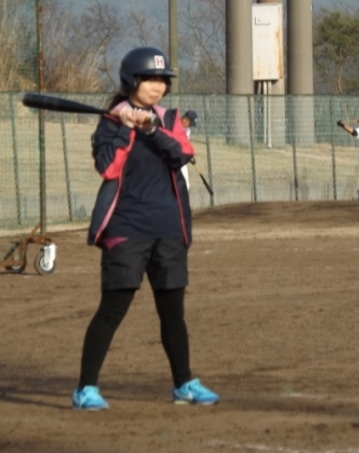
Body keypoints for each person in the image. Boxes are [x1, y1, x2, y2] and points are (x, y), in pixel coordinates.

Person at [72, 46, 219, 410]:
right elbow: (108, 168)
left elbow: (182, 154)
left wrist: (152, 129)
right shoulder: (110, 122)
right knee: (112, 309)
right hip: (126, 228)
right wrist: (125, 129)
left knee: (173, 314)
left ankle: (183, 384)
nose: (157, 86)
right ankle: (85, 389)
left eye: (162, 80)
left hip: (169, 228)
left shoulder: (169, 118)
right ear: (130, 81)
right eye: (150, 79)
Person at [179, 110, 198, 191]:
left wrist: (189, 155)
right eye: (190, 123)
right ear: (185, 119)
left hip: (181, 160)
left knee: (186, 185)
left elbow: (186, 144)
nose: (190, 126)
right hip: (170, 159)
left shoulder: (187, 130)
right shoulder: (173, 125)